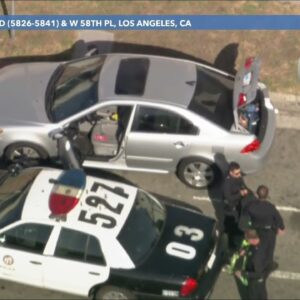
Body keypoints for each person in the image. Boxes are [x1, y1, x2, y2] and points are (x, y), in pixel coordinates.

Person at [245, 185, 285, 268]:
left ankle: (254, 262)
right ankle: (269, 264)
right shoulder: (270, 207)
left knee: (256, 247)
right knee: (269, 249)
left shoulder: (251, 206)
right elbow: (278, 218)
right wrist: (282, 227)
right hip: (268, 231)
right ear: (267, 195)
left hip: (256, 230)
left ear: (257, 194)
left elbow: (245, 217)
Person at [234, 229, 272, 300]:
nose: (247, 241)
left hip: (255, 284)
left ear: (252, 239)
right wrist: (246, 251)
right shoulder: (261, 242)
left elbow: (258, 274)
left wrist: (242, 273)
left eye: (247, 240)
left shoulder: (256, 260)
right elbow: (253, 249)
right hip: (260, 282)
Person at [222, 162, 249, 250]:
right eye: (237, 173)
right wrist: (240, 194)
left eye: (239, 172)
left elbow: (242, 183)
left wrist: (244, 189)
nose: (239, 174)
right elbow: (228, 197)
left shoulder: (238, 176)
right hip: (230, 207)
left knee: (237, 220)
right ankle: (230, 243)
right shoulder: (227, 183)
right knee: (231, 225)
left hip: (237, 203)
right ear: (231, 173)